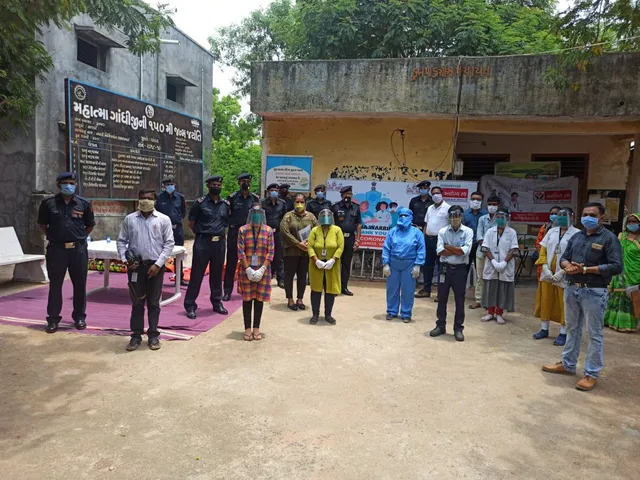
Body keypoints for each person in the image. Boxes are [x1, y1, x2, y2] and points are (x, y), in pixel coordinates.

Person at [542, 203, 623, 391]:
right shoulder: (577, 236)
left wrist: (587, 269)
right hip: (572, 288)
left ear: (601, 217)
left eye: (592, 214)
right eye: (585, 214)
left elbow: (616, 266)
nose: (588, 217)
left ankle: (591, 373)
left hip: (594, 291)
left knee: (594, 333)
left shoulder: (609, 239)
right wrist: (566, 265)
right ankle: (568, 364)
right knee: (572, 328)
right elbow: (565, 256)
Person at [117, 189, 175, 351]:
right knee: (137, 302)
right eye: (142, 198)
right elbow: (121, 241)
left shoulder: (164, 220)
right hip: (136, 267)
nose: (145, 201)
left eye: (149, 198)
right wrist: (125, 260)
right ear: (138, 200)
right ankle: (135, 336)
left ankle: (153, 335)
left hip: (156, 267)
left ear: (155, 201)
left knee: (154, 302)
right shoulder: (130, 219)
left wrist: (158, 265)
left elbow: (169, 243)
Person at [38, 172, 95, 333]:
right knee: (55, 285)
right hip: (57, 250)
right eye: (65, 183)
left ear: (76, 185)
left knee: (80, 284)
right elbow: (43, 224)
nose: (68, 186)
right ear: (59, 185)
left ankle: (79, 317)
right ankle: (53, 319)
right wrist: (54, 237)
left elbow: (89, 225)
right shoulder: (48, 203)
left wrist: (79, 237)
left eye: (71, 183)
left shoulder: (83, 204)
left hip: (78, 250)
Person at [184, 175, 230, 319]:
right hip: (203, 243)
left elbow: (226, 223)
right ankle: (190, 305)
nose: (217, 186)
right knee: (197, 275)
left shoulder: (226, 205)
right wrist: (203, 235)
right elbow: (191, 224)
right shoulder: (200, 203)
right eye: (214, 184)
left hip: (220, 243)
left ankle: (217, 303)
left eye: (218, 184)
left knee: (217, 275)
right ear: (208, 186)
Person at [533, 208, 580, 345]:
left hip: (565, 273)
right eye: (558, 215)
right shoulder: (551, 231)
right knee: (546, 299)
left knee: (564, 303)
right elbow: (543, 250)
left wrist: (564, 271)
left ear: (572, 217)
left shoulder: (577, 234)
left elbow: (577, 255)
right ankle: (544, 329)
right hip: (548, 274)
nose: (560, 218)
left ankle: (563, 332)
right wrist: (545, 267)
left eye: (563, 215)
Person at [430, 205, 474, 341]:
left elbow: (464, 251)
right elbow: (440, 251)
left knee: (459, 300)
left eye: (457, 216)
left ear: (461, 217)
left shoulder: (468, 231)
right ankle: (440, 325)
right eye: (452, 216)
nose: (455, 219)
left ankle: (458, 328)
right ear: (448, 217)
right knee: (441, 298)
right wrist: (455, 249)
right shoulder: (443, 231)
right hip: (445, 268)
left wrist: (448, 247)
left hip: (460, 269)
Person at [237, 204, 275, 341]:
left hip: (263, 271)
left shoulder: (268, 230)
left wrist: (262, 269)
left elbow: (271, 252)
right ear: (250, 214)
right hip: (246, 269)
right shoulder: (243, 230)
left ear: (263, 215)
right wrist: (247, 269)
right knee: (247, 299)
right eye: (254, 212)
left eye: (259, 213)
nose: (257, 215)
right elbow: (240, 251)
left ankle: (256, 328)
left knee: (259, 299)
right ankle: (247, 328)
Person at [382, 207, 426, 322]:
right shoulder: (392, 231)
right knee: (392, 289)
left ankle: (406, 313)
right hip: (393, 263)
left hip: (409, 264)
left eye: (406, 216)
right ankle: (391, 311)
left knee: (408, 290)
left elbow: (421, 249)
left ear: (411, 217)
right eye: (401, 215)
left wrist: (418, 265)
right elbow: (386, 247)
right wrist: (385, 263)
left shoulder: (417, 233)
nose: (403, 218)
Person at [223, 173, 260, 301]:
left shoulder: (255, 198)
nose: (245, 183)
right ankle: (227, 291)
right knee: (231, 263)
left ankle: (249, 289)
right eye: (243, 181)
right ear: (239, 183)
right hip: (234, 233)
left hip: (250, 234)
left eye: (247, 181)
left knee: (250, 262)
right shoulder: (232, 197)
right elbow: (227, 215)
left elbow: (258, 216)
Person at [480, 208, 519, 324]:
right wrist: (493, 262)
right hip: (491, 265)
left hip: (505, 266)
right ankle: (490, 313)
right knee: (491, 289)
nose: (500, 219)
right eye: (498, 217)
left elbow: (514, 249)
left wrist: (504, 263)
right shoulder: (490, 231)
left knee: (502, 290)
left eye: (503, 217)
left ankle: (499, 313)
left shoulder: (512, 232)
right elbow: (485, 248)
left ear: (507, 218)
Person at [281, 193, 318, 310]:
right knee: (289, 275)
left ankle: (300, 299)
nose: (299, 204)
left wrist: (308, 244)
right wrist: (298, 244)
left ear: (305, 203)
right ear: (293, 203)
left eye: (302, 202)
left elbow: (317, 231)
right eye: (297, 202)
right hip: (291, 252)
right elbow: (284, 232)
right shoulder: (288, 216)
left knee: (302, 276)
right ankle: (290, 299)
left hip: (305, 252)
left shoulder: (311, 217)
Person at [604, 213, 640, 332]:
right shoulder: (621, 236)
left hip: (635, 272)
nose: (631, 224)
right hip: (620, 271)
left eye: (634, 222)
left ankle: (626, 324)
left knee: (630, 297)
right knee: (617, 295)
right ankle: (610, 320)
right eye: (629, 222)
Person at [307, 209, 344, 325]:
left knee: (330, 290)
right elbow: (310, 246)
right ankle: (315, 315)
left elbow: (340, 247)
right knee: (316, 290)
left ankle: (328, 315)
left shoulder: (337, 230)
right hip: (316, 264)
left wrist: (333, 259)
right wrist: (316, 260)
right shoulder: (315, 230)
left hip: (332, 265)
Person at [155, 176, 188, 286]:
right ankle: (157, 279)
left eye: (171, 184)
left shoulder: (180, 197)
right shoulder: (159, 198)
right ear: (164, 186)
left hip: (177, 229)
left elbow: (183, 213)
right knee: (160, 253)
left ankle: (180, 278)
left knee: (178, 254)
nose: (170, 186)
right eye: (167, 184)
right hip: (163, 230)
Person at [469, 195, 500, 309]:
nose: (492, 206)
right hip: (481, 252)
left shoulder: (501, 218)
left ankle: (490, 301)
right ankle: (478, 300)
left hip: (496, 254)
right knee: (480, 277)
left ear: (498, 205)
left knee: (492, 278)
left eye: (494, 204)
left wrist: (492, 249)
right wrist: (486, 247)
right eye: (490, 204)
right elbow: (479, 235)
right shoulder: (482, 219)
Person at [419, 186, 450, 298]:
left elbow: (451, 226)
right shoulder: (430, 208)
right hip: (428, 239)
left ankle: (440, 293)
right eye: (434, 193)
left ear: (442, 194)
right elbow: (426, 224)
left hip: (441, 240)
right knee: (428, 266)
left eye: (438, 193)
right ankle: (426, 290)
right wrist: (423, 238)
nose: (436, 195)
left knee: (442, 267)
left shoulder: (448, 208)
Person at [332, 186, 362, 296]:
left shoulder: (356, 208)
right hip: (337, 239)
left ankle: (344, 287)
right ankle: (334, 287)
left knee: (346, 264)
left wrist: (357, 240)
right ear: (341, 195)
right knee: (335, 263)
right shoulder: (335, 207)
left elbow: (359, 224)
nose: (348, 196)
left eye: (350, 194)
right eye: (345, 194)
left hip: (350, 239)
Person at [262, 183, 287, 288]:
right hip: (264, 233)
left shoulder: (282, 203)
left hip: (277, 233)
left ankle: (281, 279)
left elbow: (284, 218)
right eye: (272, 190)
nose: (274, 192)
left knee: (279, 256)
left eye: (276, 191)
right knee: (265, 255)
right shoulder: (262, 203)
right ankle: (265, 278)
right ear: (268, 192)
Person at [463, 191, 488, 278]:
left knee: (480, 271)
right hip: (468, 245)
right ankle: (462, 290)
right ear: (470, 200)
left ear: (482, 201)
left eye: (478, 199)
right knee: (464, 270)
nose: (475, 201)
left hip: (481, 246)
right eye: (473, 199)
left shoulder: (486, 214)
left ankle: (480, 291)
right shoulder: (465, 214)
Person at [535, 206, 561, 280]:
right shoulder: (544, 227)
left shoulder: (564, 227)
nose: (553, 215)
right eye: (552, 213)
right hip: (545, 259)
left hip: (559, 258)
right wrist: (543, 259)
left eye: (556, 213)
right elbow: (538, 244)